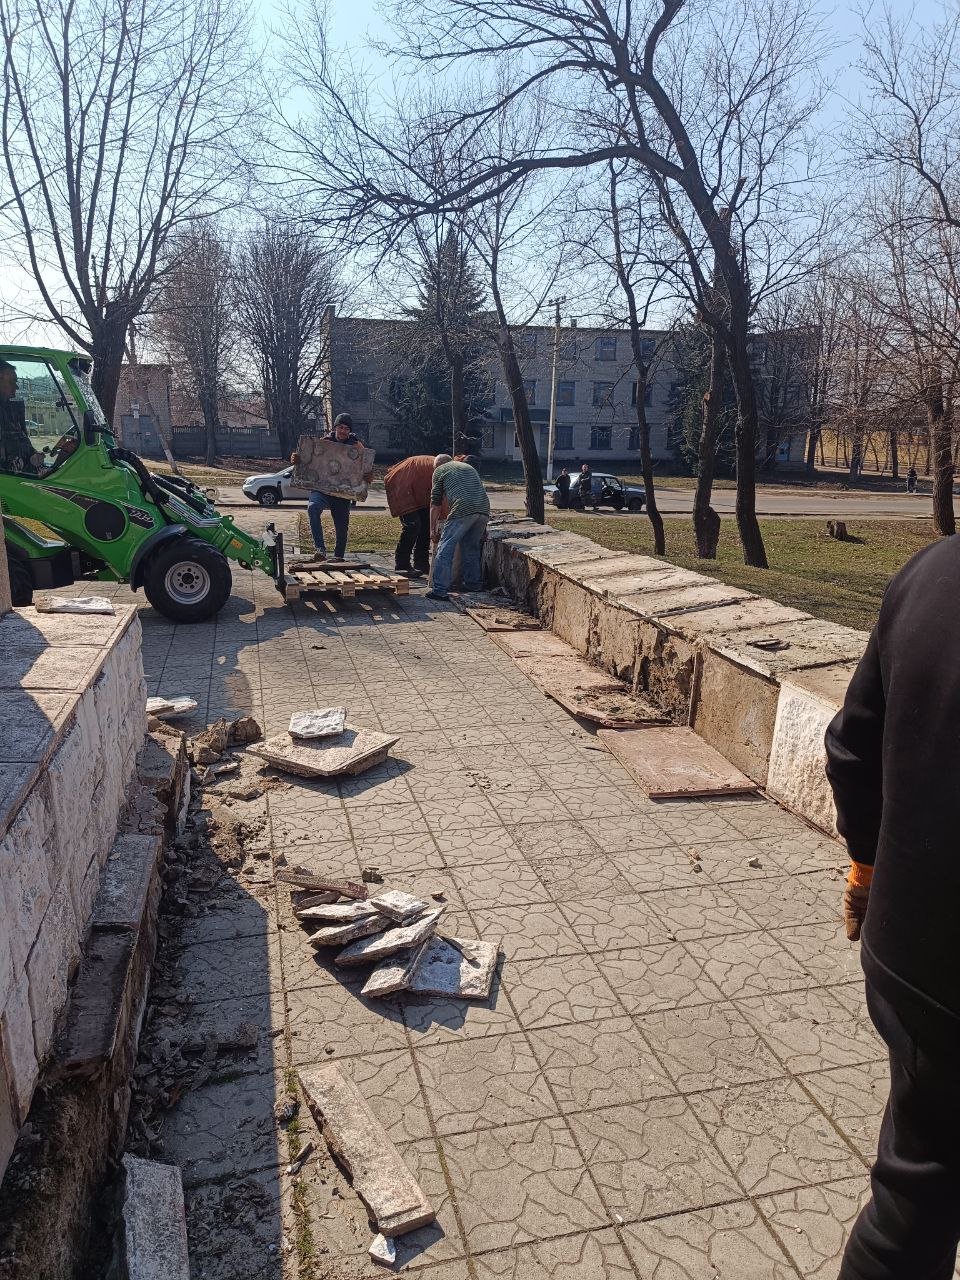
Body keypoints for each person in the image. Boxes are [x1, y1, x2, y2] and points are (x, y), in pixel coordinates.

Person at [825, 538, 960, 1280]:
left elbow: (852, 747)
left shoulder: (935, 570)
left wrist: (867, 868)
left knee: (912, 1193)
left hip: (911, 960)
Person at [291, 413, 372, 562]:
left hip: (342, 491)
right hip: (322, 488)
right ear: (335, 427)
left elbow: (364, 468)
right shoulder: (324, 442)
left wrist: (367, 475)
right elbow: (309, 461)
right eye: (340, 427)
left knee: (342, 527)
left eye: (346, 428)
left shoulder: (357, 446)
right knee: (313, 508)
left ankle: (338, 556)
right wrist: (298, 460)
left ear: (350, 431)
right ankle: (320, 550)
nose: (343, 431)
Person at [425, 453, 490, 601]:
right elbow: (478, 493)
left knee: (445, 548)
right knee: (471, 548)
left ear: (438, 465)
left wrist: (432, 529)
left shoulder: (440, 470)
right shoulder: (468, 468)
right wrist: (484, 528)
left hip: (462, 509)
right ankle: (473, 584)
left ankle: (439, 590)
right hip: (483, 509)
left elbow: (435, 503)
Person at [383, 453, 434, 577]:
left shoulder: (445, 467)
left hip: (418, 489)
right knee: (413, 526)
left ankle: (421, 563)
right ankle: (402, 565)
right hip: (402, 484)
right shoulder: (447, 470)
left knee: (426, 525)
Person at [0, 361, 44, 475]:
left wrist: (33, 455)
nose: (16, 387)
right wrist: (28, 462)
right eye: (11, 382)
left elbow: (20, 441)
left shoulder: (10, 410)